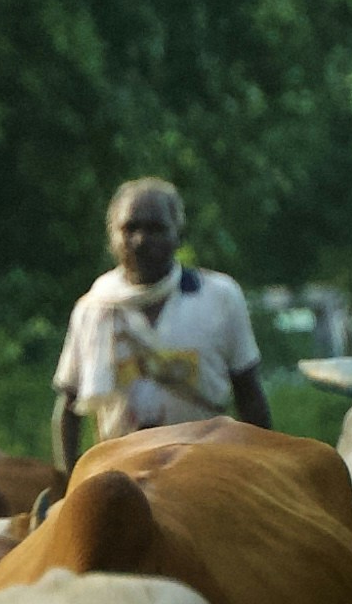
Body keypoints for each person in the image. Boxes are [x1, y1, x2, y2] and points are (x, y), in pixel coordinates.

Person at [53, 177, 273, 466]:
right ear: (112, 238)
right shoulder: (93, 308)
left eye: (155, 228)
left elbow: (250, 395)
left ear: (177, 235)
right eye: (130, 228)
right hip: (122, 470)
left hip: (205, 465)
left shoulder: (219, 297)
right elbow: (68, 409)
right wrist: (68, 484)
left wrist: (262, 468)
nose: (141, 240)